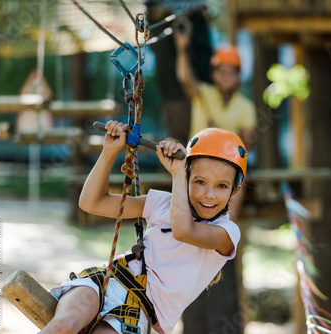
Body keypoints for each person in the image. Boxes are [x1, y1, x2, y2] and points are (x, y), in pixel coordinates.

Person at [39, 120, 247, 334]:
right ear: (188, 178)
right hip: (110, 279)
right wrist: (109, 152)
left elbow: (183, 230)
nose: (209, 194)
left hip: (142, 312)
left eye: (222, 186)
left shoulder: (228, 233)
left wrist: (178, 174)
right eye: (199, 181)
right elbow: (92, 203)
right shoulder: (161, 203)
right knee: (63, 326)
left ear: (235, 189)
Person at [174, 26, 256, 219]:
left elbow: (249, 143)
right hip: (198, 158)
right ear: (214, 74)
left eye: (231, 72)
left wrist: (249, 139)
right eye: (222, 71)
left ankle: (225, 227)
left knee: (240, 176)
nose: (226, 76)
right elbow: (186, 78)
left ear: (237, 76)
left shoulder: (245, 106)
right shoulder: (204, 94)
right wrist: (182, 48)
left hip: (229, 163)